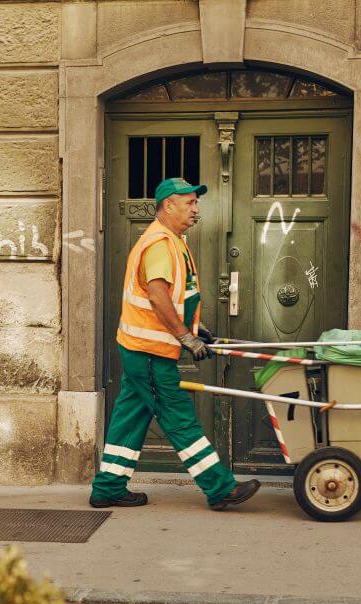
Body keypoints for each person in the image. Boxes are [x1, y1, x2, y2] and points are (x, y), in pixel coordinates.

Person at [90, 177, 261, 511]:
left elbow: (175, 296)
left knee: (131, 416)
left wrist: (198, 329)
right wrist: (185, 337)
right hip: (150, 351)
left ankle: (108, 487)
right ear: (168, 205)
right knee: (178, 416)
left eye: (196, 203)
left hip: (141, 347)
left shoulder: (170, 239)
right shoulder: (160, 244)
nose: (196, 209)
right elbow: (157, 294)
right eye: (190, 203)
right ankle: (220, 487)